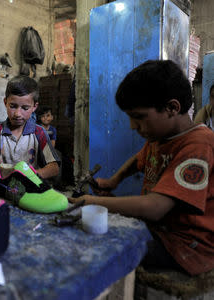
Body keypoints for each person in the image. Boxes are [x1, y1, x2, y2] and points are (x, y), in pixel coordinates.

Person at [70, 60, 214, 276]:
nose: (132, 126)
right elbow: (140, 158)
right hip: (161, 232)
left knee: (100, 248)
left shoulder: (199, 145)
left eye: (138, 117)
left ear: (172, 108)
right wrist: (114, 180)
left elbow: (155, 208)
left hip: (186, 246)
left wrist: (91, 202)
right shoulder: (160, 137)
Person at [0, 75, 60, 185]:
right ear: (5, 102)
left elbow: (54, 168)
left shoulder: (39, 133)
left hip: (28, 191)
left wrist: (30, 176)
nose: (18, 114)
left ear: (34, 107)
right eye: (13, 106)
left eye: (25, 108)